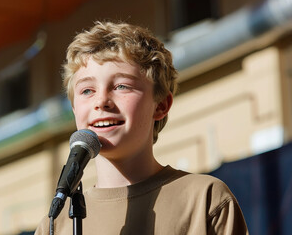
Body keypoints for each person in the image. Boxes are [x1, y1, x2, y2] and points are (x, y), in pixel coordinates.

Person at [35, 21, 249, 235]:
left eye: (121, 86)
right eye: (87, 90)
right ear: (74, 109)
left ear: (161, 105)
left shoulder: (205, 199)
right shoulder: (54, 225)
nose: (101, 101)